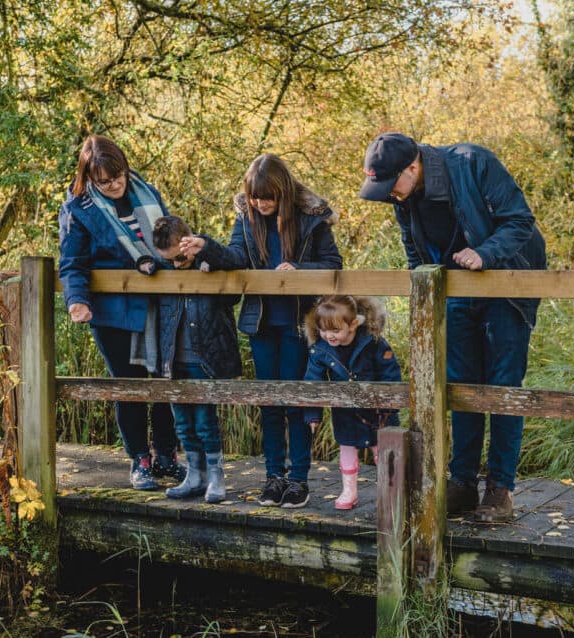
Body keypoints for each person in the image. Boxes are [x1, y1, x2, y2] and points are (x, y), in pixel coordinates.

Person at [358, 132, 547, 523]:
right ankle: (462, 483)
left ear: (413, 166)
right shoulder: (404, 197)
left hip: (508, 284)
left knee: (502, 385)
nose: (388, 195)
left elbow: (520, 222)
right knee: (459, 384)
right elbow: (414, 251)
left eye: (390, 185)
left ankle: (500, 490)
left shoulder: (473, 162)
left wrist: (484, 253)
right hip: (456, 290)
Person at [179, 153, 343, 508]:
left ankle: (298, 479)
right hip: (262, 323)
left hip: (300, 324)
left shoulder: (311, 219)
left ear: (282, 193)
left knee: (297, 401)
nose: (260, 203)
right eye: (255, 197)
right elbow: (237, 256)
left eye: (267, 197)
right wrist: (206, 245)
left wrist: (298, 269)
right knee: (270, 402)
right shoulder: (247, 217)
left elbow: (333, 264)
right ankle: (274, 477)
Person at [58, 134, 186, 490]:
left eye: (118, 176)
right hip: (113, 310)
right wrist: (76, 300)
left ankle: (166, 455)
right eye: (104, 181)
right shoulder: (77, 209)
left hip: (159, 302)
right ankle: (139, 459)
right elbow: (72, 264)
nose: (114, 185)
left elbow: (168, 240)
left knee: (165, 379)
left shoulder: (148, 193)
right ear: (90, 179)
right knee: (128, 386)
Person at [151, 215, 242, 503]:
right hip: (173, 360)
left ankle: (215, 475)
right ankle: (194, 473)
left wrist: (207, 254)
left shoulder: (210, 261)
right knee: (183, 424)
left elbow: (235, 264)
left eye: (181, 258)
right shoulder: (163, 268)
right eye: (170, 260)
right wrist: (147, 263)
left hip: (205, 357)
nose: (177, 265)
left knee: (205, 421)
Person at [303, 295, 402, 510]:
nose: (329, 335)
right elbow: (313, 383)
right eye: (323, 330)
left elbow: (390, 374)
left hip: (377, 410)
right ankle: (349, 490)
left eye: (335, 330)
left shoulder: (373, 343)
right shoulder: (320, 350)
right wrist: (312, 414)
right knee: (347, 448)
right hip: (345, 412)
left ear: (354, 324)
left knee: (382, 450)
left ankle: (389, 491)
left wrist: (388, 406)